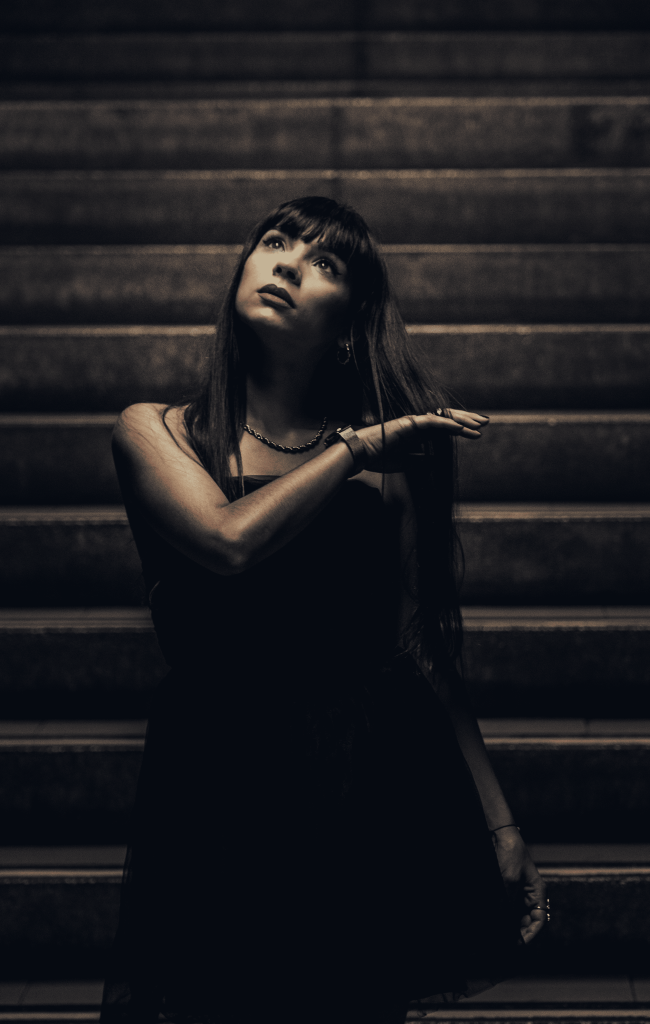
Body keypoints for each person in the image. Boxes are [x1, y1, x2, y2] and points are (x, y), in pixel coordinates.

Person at [100, 196, 547, 1024]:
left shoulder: (390, 462)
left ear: (348, 322)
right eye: (275, 242)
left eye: (324, 262)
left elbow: (419, 643)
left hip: (362, 775)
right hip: (218, 769)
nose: (287, 264)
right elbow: (227, 540)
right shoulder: (157, 431)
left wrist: (500, 823)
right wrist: (356, 449)